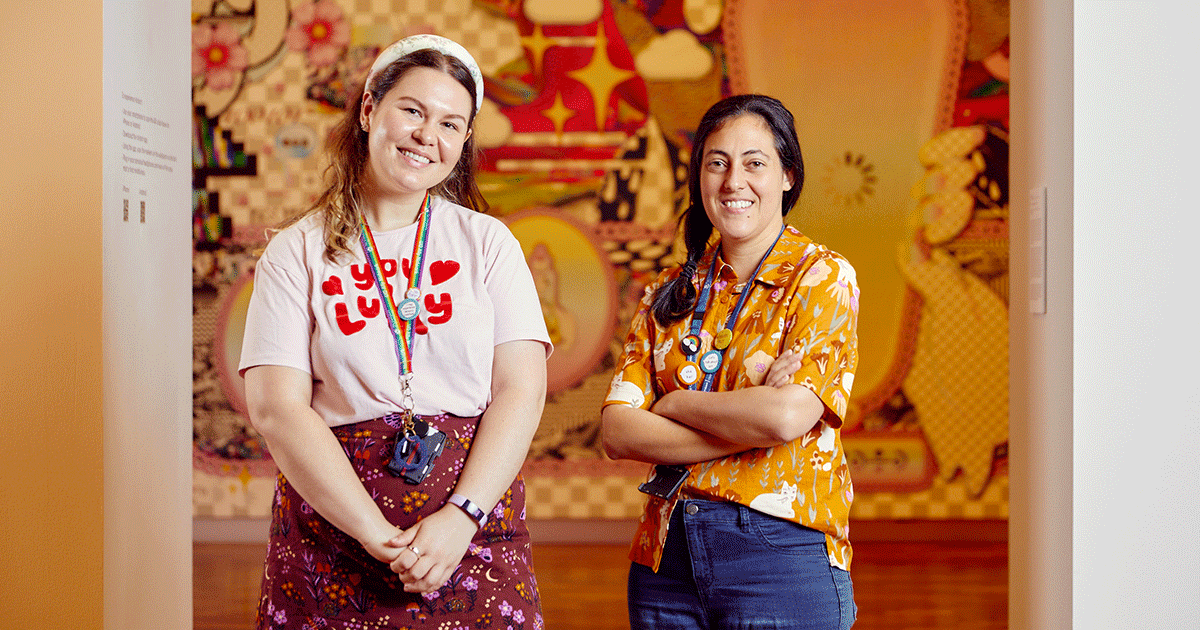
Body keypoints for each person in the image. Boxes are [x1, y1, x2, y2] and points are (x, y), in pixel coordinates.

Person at [238, 34, 552, 630]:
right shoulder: (295, 252)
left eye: (450, 124)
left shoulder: (488, 244)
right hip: (333, 535)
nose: (426, 135)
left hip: (472, 526)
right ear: (368, 110)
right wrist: (375, 534)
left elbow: (521, 391)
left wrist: (461, 517)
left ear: (462, 142)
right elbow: (277, 408)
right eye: (412, 110)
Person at [601, 94, 860, 630]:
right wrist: (751, 415)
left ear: (788, 176)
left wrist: (674, 403)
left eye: (754, 163)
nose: (733, 181)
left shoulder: (822, 279)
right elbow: (618, 431)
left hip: (779, 552)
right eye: (717, 162)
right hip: (665, 560)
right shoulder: (665, 294)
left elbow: (784, 418)